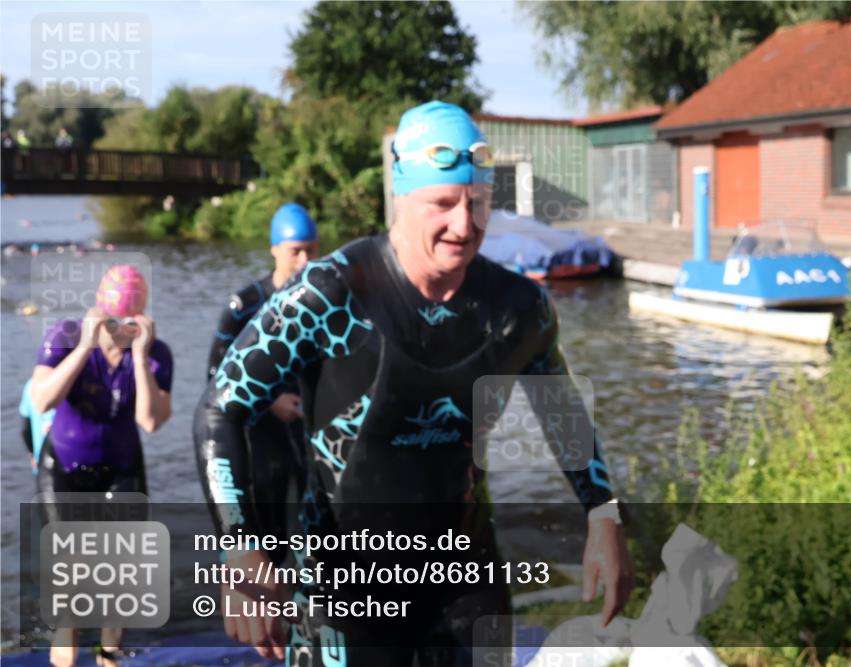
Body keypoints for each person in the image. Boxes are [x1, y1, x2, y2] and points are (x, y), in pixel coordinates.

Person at [193, 101, 633, 666]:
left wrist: (603, 515)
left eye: (478, 203)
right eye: (443, 204)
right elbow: (220, 408)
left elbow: (561, 409)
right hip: (342, 589)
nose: (464, 224)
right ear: (401, 196)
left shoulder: (520, 308)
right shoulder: (329, 294)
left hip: (465, 583)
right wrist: (243, 549)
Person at [29, 265, 173, 667]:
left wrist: (140, 358)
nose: (119, 331)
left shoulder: (155, 353)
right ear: (97, 310)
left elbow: (150, 420)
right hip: (65, 468)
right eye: (111, 321)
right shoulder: (65, 335)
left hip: (122, 467)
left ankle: (108, 656)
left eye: (128, 322)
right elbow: (41, 401)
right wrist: (83, 349)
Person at [204, 202, 318, 563]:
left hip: (312, 430)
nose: (303, 261)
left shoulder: (326, 300)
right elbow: (215, 377)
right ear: (274, 250)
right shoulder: (245, 305)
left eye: (311, 251)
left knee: (319, 533)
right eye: (294, 252)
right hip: (263, 435)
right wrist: (271, 403)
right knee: (269, 534)